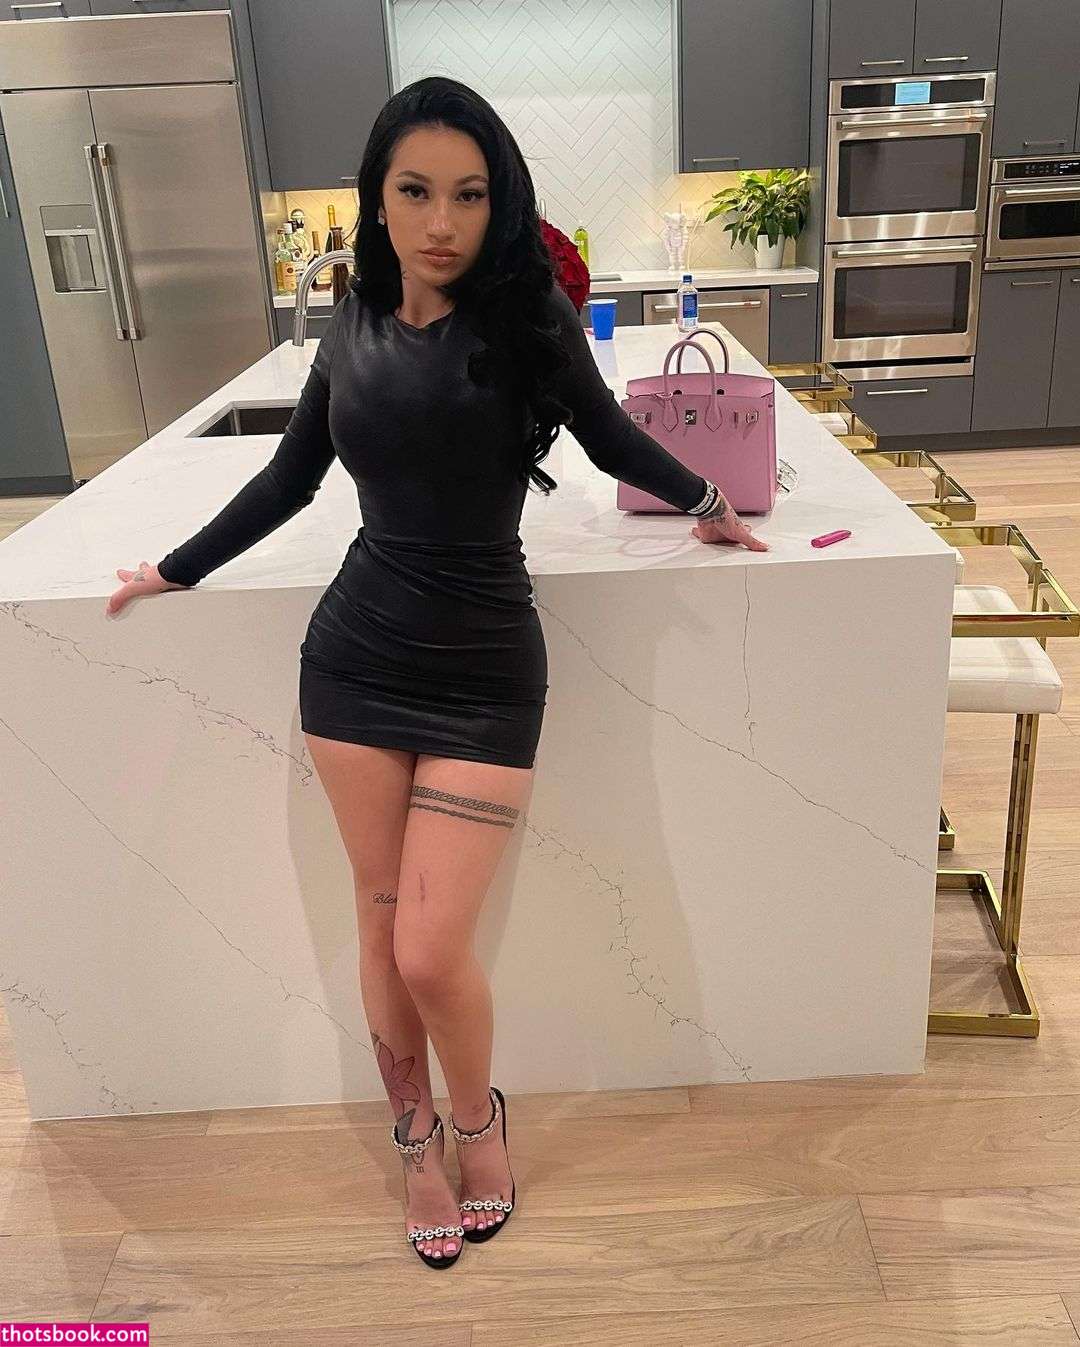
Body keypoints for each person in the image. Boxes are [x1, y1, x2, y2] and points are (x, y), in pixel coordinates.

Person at [105, 75, 768, 1269]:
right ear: (378, 197)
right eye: (415, 191)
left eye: (469, 194)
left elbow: (611, 436)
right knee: (378, 923)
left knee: (426, 946)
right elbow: (289, 478)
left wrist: (711, 498)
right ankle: (413, 1141)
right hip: (353, 662)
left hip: (485, 674)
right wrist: (173, 568)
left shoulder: (528, 321)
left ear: (498, 203)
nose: (441, 221)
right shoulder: (351, 322)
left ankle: (478, 1121)